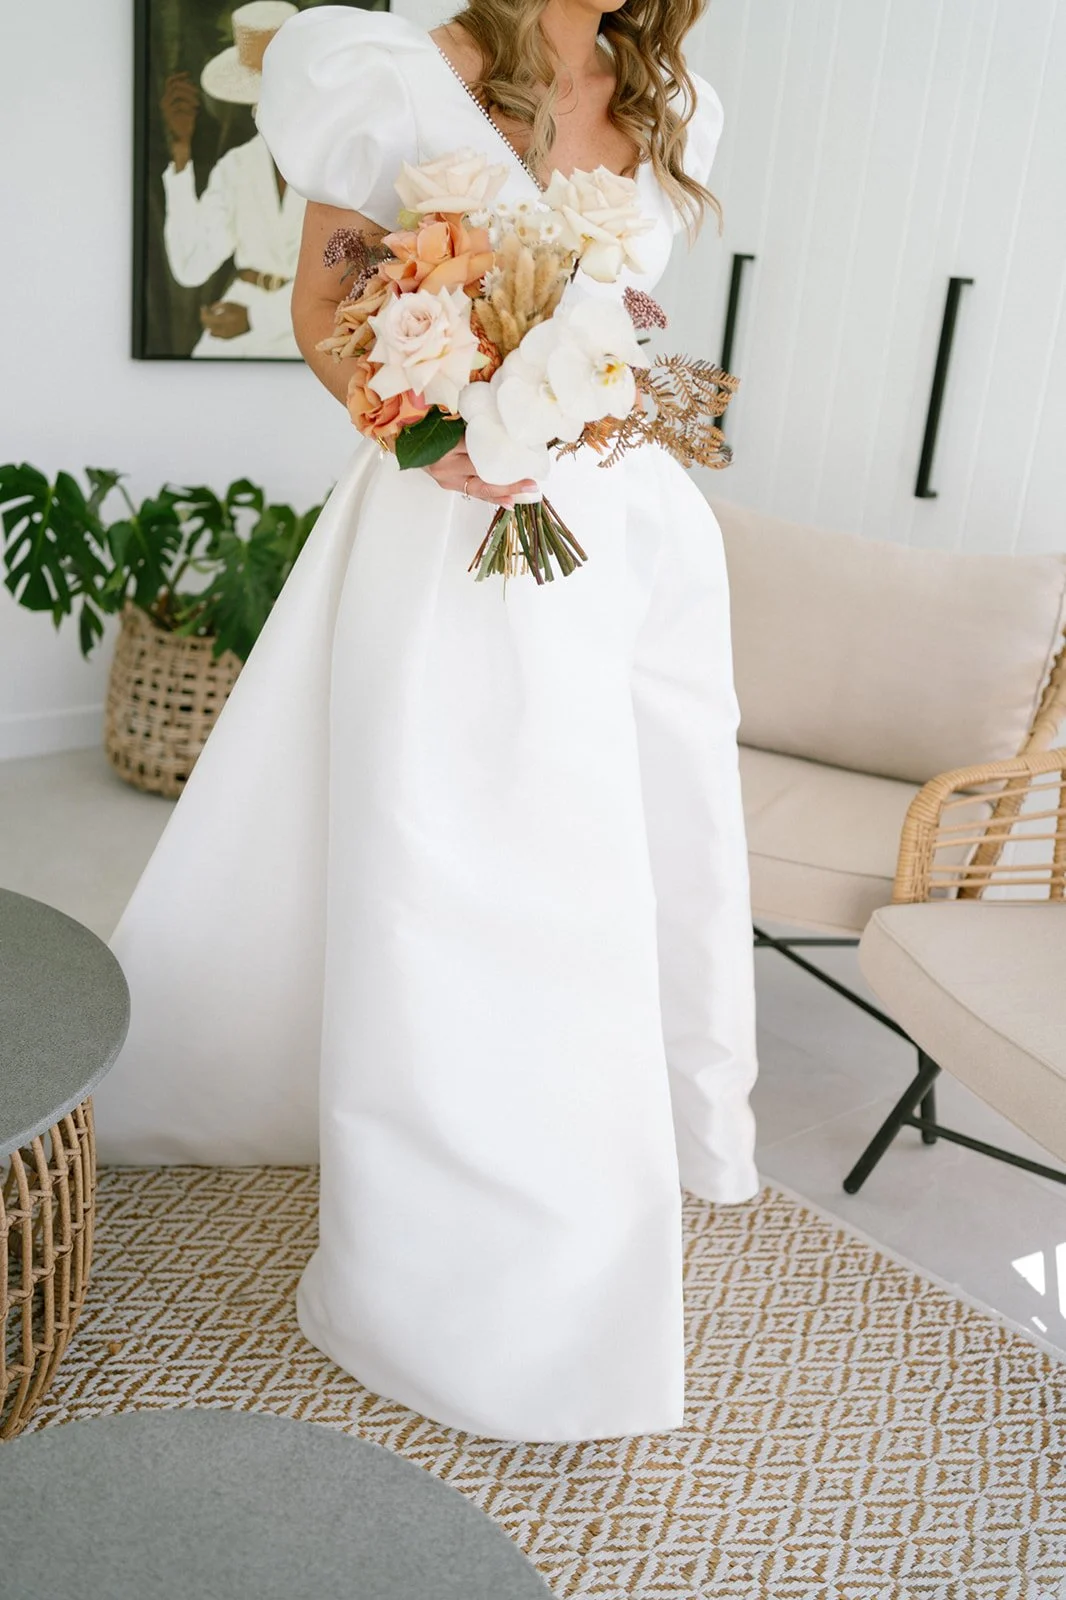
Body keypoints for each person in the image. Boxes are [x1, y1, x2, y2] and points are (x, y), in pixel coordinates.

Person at [92, 1, 760, 1444]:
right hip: (440, 520)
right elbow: (325, 308)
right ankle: (429, 1263)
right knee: (444, 875)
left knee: (606, 866)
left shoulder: (676, 100)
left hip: (621, 533)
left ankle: (594, 1187)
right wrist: (424, 425)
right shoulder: (391, 72)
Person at [159, 1, 306, 357]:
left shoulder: (336, 164)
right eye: (257, 95)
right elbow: (191, 265)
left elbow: (346, 278)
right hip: (240, 319)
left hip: (303, 324)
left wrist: (258, 318)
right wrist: (181, 152)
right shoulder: (237, 166)